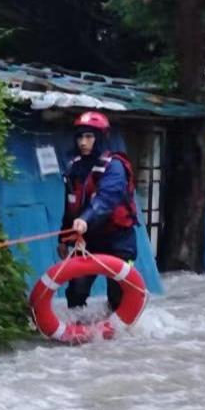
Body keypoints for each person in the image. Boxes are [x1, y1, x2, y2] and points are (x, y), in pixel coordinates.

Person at [58, 109, 140, 314]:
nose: (83, 142)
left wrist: (85, 219)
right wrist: (64, 238)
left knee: (117, 294)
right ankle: (77, 333)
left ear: (101, 138)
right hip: (88, 240)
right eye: (79, 137)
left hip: (118, 240)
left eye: (88, 136)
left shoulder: (115, 167)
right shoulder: (74, 168)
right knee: (76, 290)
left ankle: (117, 337)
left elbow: (106, 200)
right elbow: (70, 207)